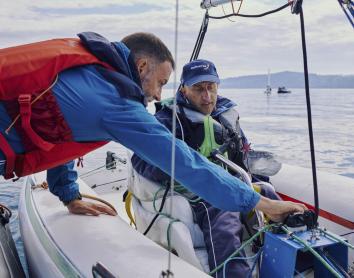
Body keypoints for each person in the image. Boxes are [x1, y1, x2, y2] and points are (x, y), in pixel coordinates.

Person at [0, 32, 305, 220]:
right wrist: (263, 204)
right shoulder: (116, 103)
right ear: (142, 66)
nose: (160, 95)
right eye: (161, 82)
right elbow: (184, 162)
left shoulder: (88, 67)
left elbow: (62, 130)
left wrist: (69, 194)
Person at [131, 59, 286, 277]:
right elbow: (140, 159)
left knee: (267, 192)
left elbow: (242, 157)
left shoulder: (225, 116)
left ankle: (293, 264)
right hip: (195, 191)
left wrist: (259, 183)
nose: (207, 96)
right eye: (198, 88)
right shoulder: (167, 120)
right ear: (184, 89)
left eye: (211, 87)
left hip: (229, 183)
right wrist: (181, 167)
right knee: (223, 212)